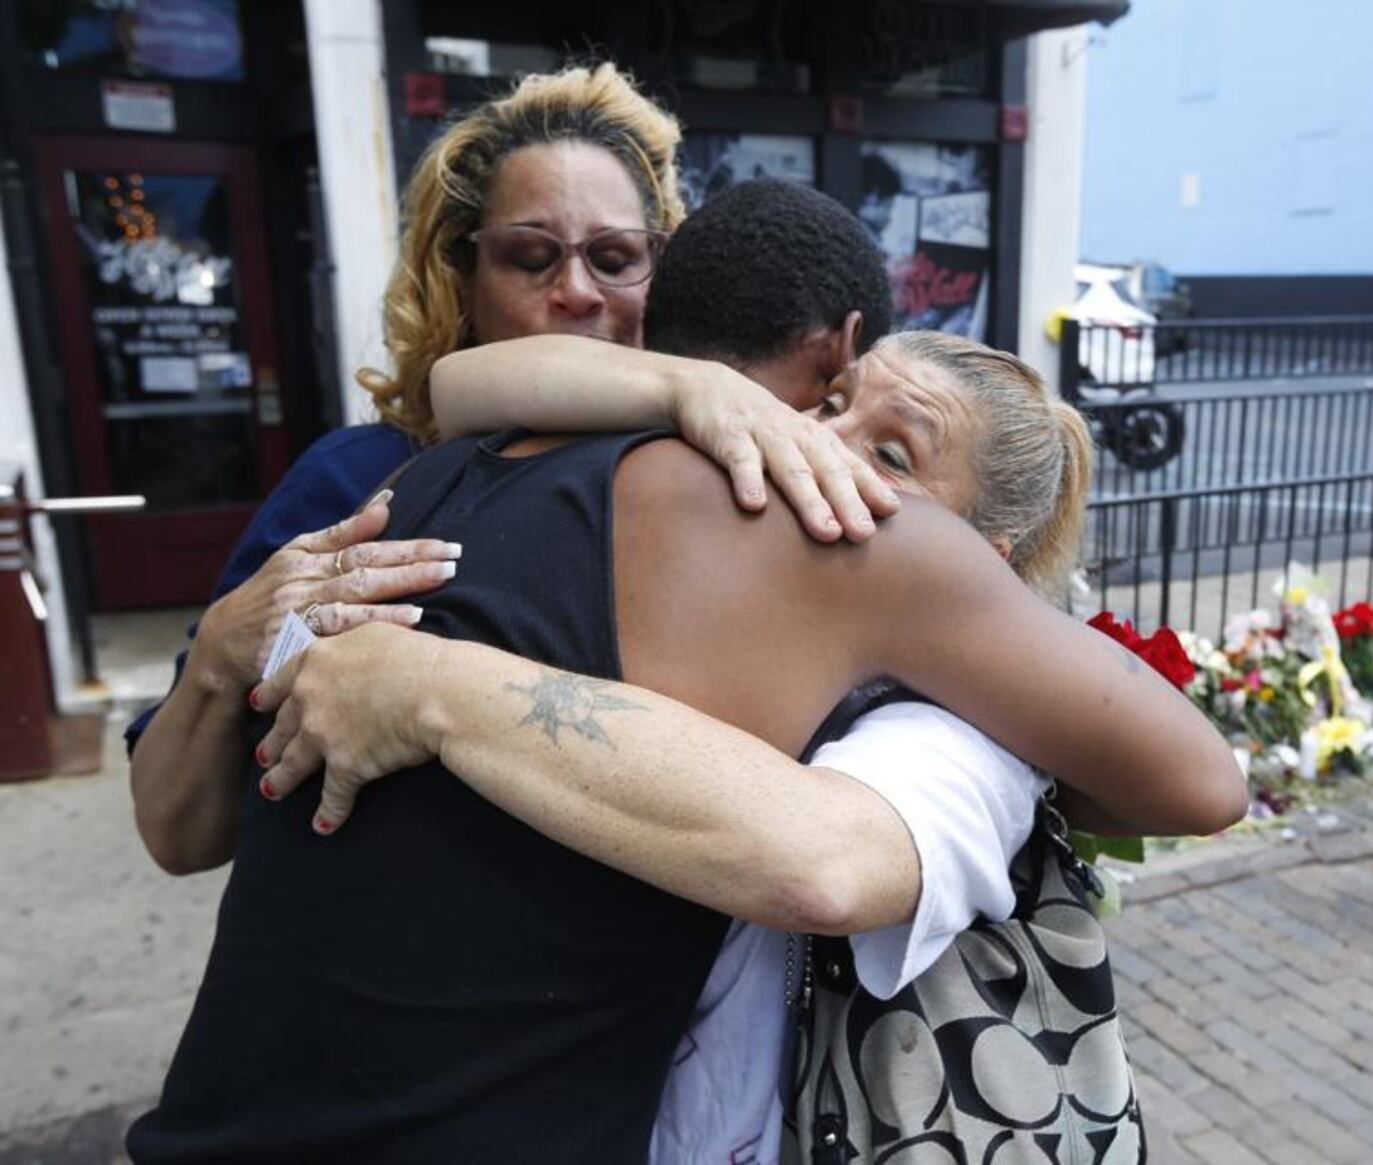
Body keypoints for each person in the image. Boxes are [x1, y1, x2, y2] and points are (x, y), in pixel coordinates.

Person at [126, 180, 1245, 1162]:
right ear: (829, 352)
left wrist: (437, 690)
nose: (828, 444)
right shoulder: (667, 483)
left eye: (893, 454)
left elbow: (1194, 783)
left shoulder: (487, 473)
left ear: (987, 569)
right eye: (837, 401)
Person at [127, 64, 891, 877]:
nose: (575, 291)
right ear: (462, 278)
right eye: (530, 257)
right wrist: (218, 655)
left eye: (614, 256)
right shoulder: (367, 474)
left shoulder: (723, 478)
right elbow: (179, 835)